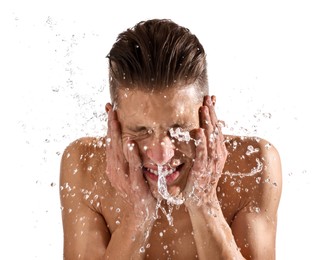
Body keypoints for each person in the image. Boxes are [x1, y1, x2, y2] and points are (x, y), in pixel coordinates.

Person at [59, 19, 282, 260]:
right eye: (141, 130)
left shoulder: (252, 166)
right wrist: (137, 216)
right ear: (114, 121)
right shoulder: (85, 167)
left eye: (179, 129)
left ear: (208, 116)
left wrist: (204, 204)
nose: (161, 155)